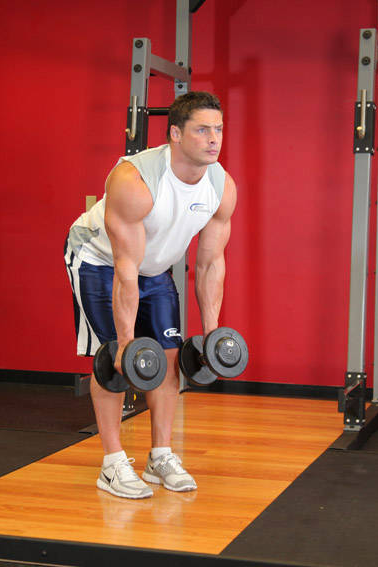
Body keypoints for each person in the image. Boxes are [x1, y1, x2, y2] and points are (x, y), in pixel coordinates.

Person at [64, 91, 237, 499]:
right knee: (113, 359)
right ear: (175, 134)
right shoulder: (135, 181)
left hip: (154, 267)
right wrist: (126, 343)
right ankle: (112, 464)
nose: (214, 139)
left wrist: (211, 334)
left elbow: (210, 264)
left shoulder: (221, 186)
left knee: (170, 357)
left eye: (218, 129)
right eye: (202, 130)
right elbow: (125, 268)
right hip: (99, 260)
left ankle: (161, 457)